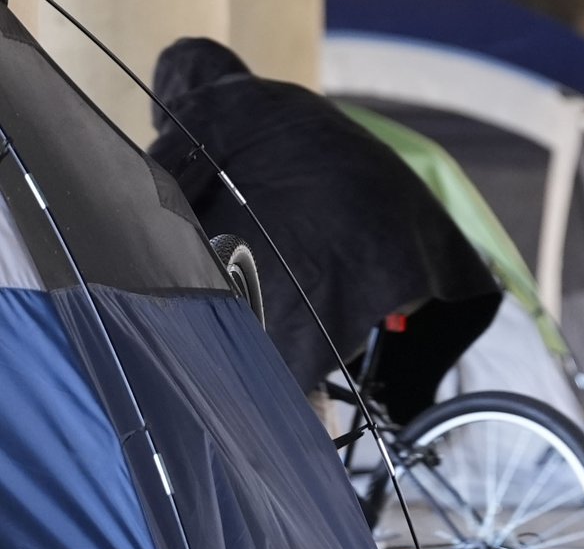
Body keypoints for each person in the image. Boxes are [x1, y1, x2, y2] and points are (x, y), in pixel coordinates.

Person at [147, 37, 502, 424]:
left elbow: (152, 192)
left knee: (279, 377)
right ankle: (402, 446)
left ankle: (312, 477)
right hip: (419, 260)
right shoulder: (290, 98)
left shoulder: (204, 110)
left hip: (335, 272)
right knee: (322, 361)